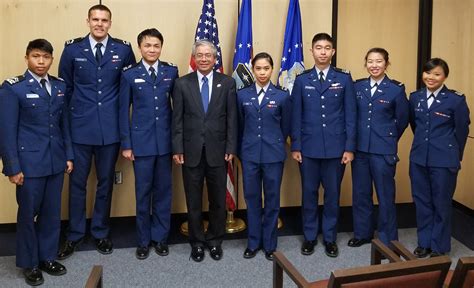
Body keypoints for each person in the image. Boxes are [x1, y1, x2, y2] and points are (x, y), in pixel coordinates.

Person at [57, 4, 136, 259]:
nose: (99, 24)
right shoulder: (72, 50)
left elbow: (128, 88)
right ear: (88, 21)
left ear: (110, 23)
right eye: (95, 19)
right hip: (80, 129)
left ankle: (100, 231)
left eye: (104, 20)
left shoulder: (123, 50)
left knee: (105, 184)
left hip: (109, 131)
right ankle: (75, 233)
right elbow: (65, 90)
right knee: (77, 184)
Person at [0, 39, 74, 286]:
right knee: (28, 215)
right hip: (29, 165)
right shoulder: (13, 88)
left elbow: (64, 126)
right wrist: (12, 167)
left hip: (55, 161)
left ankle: (47, 257)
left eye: (45, 57)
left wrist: (69, 156)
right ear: (27, 58)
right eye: (35, 56)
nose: (41, 61)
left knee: (52, 215)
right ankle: (29, 263)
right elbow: (7, 131)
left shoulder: (60, 86)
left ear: (52, 59)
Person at [291, 33, 356, 258]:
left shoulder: (345, 79)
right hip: (308, 149)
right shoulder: (302, 79)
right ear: (311, 51)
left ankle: (329, 238)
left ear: (333, 52)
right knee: (309, 193)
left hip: (336, 150)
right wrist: (296, 146)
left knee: (332, 195)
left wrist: (349, 148)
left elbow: (350, 115)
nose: (323, 52)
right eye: (318, 47)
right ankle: (309, 237)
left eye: (327, 48)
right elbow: (295, 116)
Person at [172, 39, 237, 262]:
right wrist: (178, 148)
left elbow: (232, 119)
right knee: (193, 200)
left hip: (218, 151)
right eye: (199, 55)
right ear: (194, 57)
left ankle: (215, 241)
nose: (204, 59)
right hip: (190, 152)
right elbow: (177, 120)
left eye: (208, 55)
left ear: (215, 58)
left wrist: (230, 147)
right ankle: (197, 242)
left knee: (218, 200)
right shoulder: (182, 84)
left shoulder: (227, 83)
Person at [119, 28, 178, 260]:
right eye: (147, 45)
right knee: (143, 193)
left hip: (165, 143)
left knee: (164, 192)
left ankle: (160, 238)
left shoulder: (171, 71)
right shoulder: (129, 74)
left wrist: (177, 144)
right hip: (140, 144)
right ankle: (143, 241)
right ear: (139, 47)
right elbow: (123, 111)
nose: (152, 49)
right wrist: (126, 144)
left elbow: (177, 110)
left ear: (161, 47)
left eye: (156, 46)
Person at [409, 58, 470, 258]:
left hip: (444, 161)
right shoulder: (415, 97)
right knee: (422, 202)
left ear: (444, 77)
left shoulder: (456, 100)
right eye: (428, 73)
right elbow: (415, 125)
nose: (431, 77)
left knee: (441, 203)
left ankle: (439, 246)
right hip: (419, 159)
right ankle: (424, 242)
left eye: (437, 74)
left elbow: (461, 131)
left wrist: (454, 155)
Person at [349, 48, 409, 247]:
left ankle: (387, 238)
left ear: (386, 64)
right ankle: (362, 233)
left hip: (383, 151)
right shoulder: (357, 87)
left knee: (385, 195)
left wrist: (388, 139)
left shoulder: (396, 89)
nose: (374, 65)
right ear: (365, 63)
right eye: (370, 61)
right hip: (360, 150)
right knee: (360, 194)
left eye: (379, 61)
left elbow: (402, 120)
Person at [237, 52, 291, 261]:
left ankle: (269, 244)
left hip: (273, 155)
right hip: (249, 154)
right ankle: (253, 242)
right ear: (253, 69)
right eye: (258, 68)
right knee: (251, 200)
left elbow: (285, 126)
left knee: (272, 200)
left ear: (272, 69)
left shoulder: (282, 95)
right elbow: (240, 125)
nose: (262, 72)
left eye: (266, 68)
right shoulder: (242, 95)